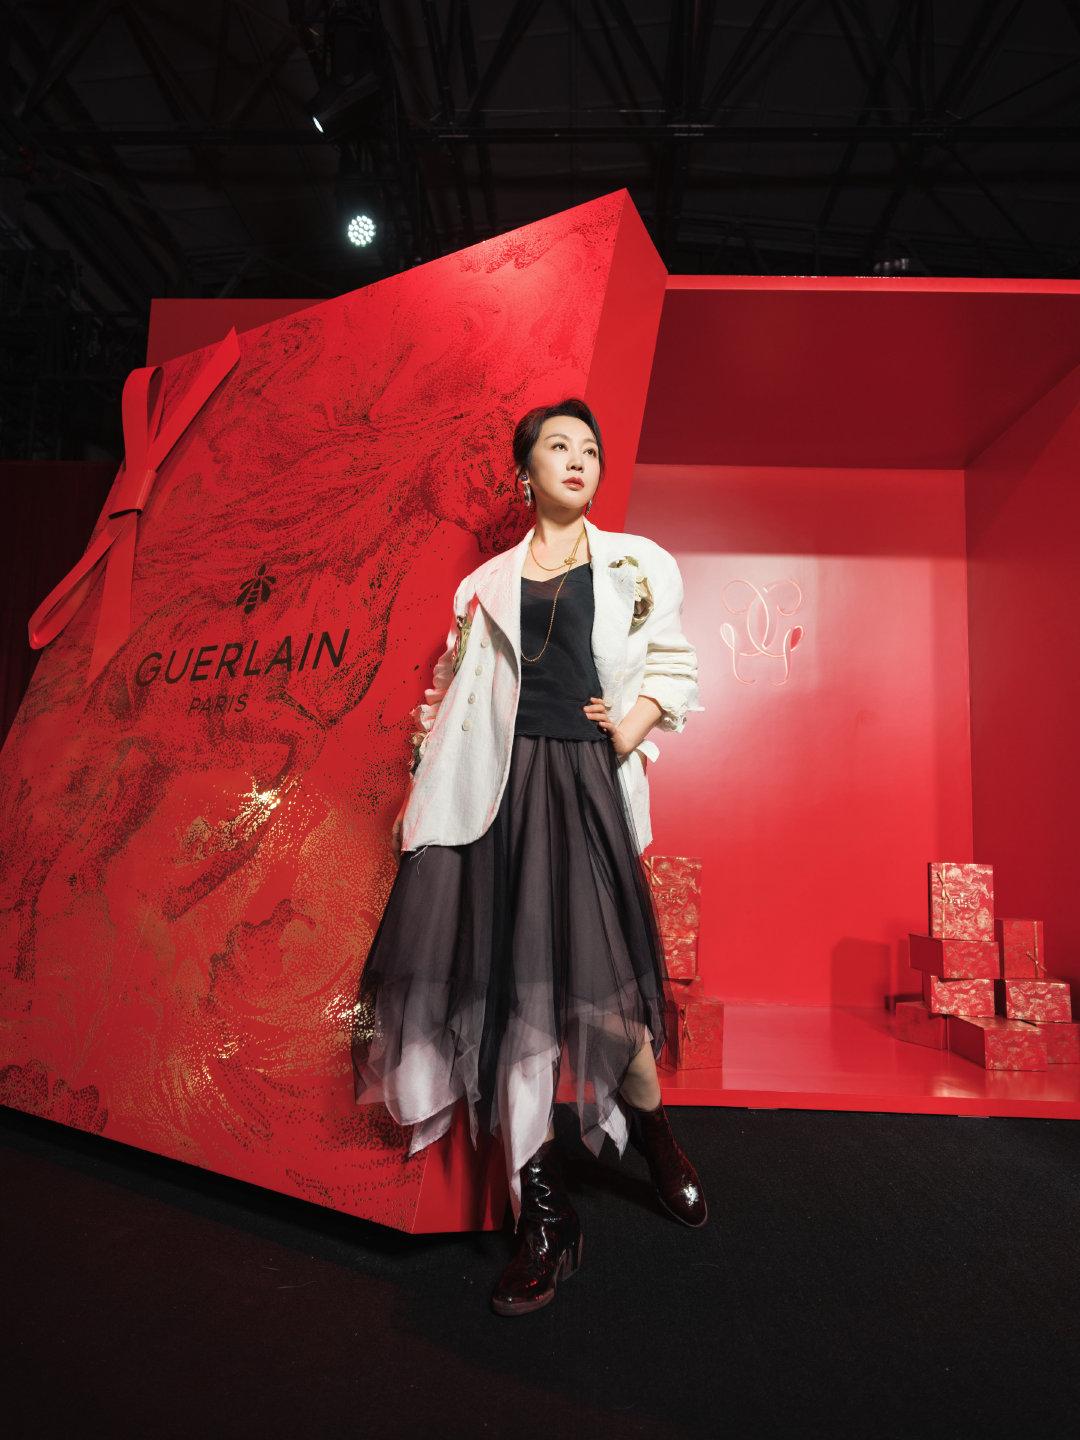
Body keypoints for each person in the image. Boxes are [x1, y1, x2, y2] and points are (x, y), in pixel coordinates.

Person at [351, 398, 707, 1317]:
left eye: (590, 448)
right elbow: (452, 691)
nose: (579, 459)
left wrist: (626, 730)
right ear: (526, 474)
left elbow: (673, 664)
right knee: (510, 1001)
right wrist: (429, 774)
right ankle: (543, 1218)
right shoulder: (483, 585)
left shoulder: (636, 564)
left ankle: (656, 1135)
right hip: (496, 798)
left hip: (583, 787)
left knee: (609, 1002)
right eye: (559, 446)